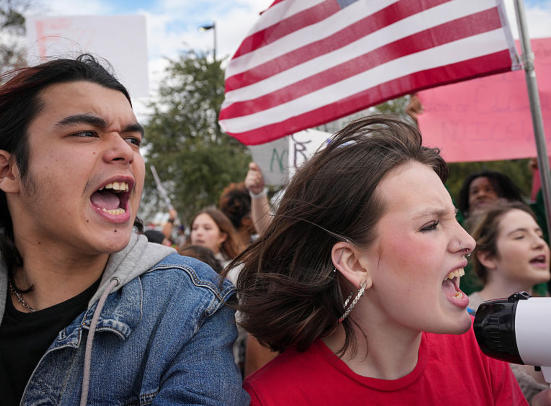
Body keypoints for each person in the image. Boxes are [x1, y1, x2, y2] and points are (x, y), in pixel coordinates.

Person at [0, 55, 247, 405]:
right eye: (86, 133)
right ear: (7, 171)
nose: (124, 152)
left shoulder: (188, 306)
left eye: (133, 140)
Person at [228, 116, 545, 405]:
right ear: (354, 263)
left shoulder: (480, 353)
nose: (468, 241)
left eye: (455, 218)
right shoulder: (274, 398)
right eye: (430, 225)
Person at [466, 200, 550, 402]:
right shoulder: (463, 322)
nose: (540, 243)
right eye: (520, 236)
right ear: (487, 257)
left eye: (539, 234)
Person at [457, 170, 524, 220]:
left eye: (488, 189)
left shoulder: (520, 221)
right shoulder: (460, 229)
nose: (481, 194)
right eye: (475, 191)